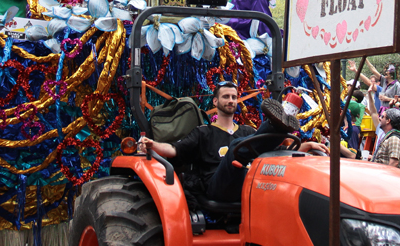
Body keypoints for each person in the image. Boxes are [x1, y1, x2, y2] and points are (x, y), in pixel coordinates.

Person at [139, 82, 325, 202]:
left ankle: (277, 127)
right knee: (238, 148)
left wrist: (306, 146)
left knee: (260, 147)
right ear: (215, 101)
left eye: (234, 97)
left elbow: (276, 153)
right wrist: (152, 144)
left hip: (249, 183)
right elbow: (174, 150)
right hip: (218, 187)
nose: (231, 100)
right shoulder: (204, 132)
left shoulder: (246, 130)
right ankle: (274, 125)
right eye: (226, 97)